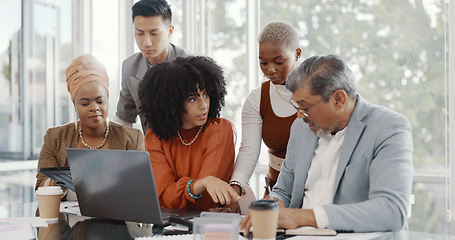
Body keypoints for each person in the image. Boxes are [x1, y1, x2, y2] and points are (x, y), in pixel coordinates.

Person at [240, 55, 413, 233]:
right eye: (297, 107)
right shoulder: (300, 128)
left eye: (305, 108)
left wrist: (301, 217)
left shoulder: (388, 127)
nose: (300, 116)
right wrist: (272, 204)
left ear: (338, 99)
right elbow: (284, 191)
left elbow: (391, 211)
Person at [35, 54, 145, 198]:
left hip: (117, 219)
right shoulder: (55, 138)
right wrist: (60, 182)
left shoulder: (131, 139)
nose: (94, 108)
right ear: (75, 106)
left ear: (108, 100)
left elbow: (141, 191)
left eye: (100, 101)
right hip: (68, 220)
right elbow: (41, 185)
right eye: (85, 104)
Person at [138, 56, 239, 211]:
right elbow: (164, 196)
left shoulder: (220, 130)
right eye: (193, 99)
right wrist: (201, 183)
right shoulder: (154, 137)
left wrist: (192, 188)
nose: (204, 105)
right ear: (172, 102)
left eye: (206, 95)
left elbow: (206, 199)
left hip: (208, 223)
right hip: (168, 225)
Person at [229, 22, 302, 196]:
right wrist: (235, 190)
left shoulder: (318, 92)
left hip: (314, 190)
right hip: (276, 192)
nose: (270, 69)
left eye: (279, 61)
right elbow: (249, 150)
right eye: (263, 62)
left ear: (297, 54)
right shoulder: (257, 99)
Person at [115, 0, 189, 133]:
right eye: (139, 33)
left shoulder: (190, 64)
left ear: (170, 31)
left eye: (154, 34)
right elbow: (123, 120)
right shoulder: (130, 67)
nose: (146, 43)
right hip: (152, 148)